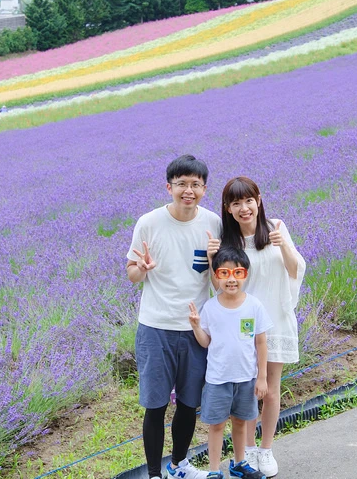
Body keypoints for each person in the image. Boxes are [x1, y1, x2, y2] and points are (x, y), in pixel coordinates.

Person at [126, 154, 222, 479]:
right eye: (181, 184)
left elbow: (223, 279)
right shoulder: (149, 223)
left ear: (205, 188)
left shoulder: (213, 224)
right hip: (156, 327)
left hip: (195, 328)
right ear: (169, 187)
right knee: (154, 405)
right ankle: (154, 474)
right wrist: (141, 268)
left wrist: (213, 261)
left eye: (195, 184)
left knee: (188, 403)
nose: (188, 190)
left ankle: (178, 465)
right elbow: (131, 274)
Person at [219, 176, 306, 478]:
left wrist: (283, 247)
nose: (244, 208)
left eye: (249, 200)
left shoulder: (277, 228)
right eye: (236, 203)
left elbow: (295, 270)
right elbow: (222, 285)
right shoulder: (228, 242)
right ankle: (249, 450)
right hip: (243, 326)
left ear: (259, 200)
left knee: (270, 389)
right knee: (243, 391)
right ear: (228, 209)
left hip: (275, 319)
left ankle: (266, 449)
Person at [189, 246, 271, 479]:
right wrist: (196, 326)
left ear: (246, 275)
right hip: (218, 379)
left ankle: (239, 463)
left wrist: (262, 377)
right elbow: (205, 342)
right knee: (216, 425)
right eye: (224, 273)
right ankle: (215, 470)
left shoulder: (254, 305)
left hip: (246, 377)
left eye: (238, 273)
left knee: (240, 422)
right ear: (216, 276)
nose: (231, 279)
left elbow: (261, 343)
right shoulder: (211, 308)